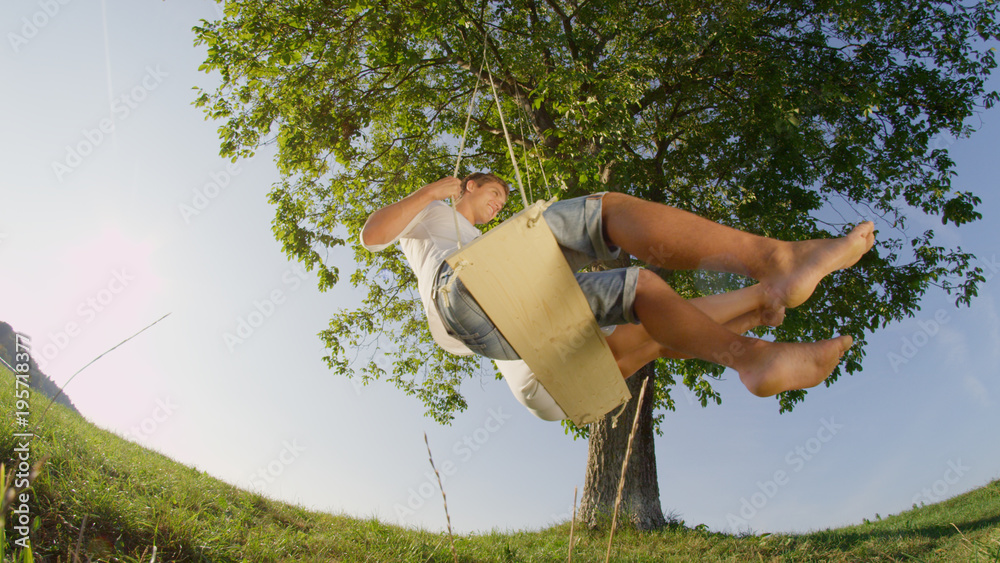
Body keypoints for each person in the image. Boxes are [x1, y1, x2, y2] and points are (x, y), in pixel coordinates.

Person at [360, 173, 875, 418]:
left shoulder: (494, 239)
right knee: (600, 210)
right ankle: (778, 266)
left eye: (503, 199)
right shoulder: (431, 216)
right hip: (466, 293)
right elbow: (372, 236)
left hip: (514, 326)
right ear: (467, 186)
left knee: (641, 287)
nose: (498, 203)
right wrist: (430, 191)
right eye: (493, 194)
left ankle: (752, 358)